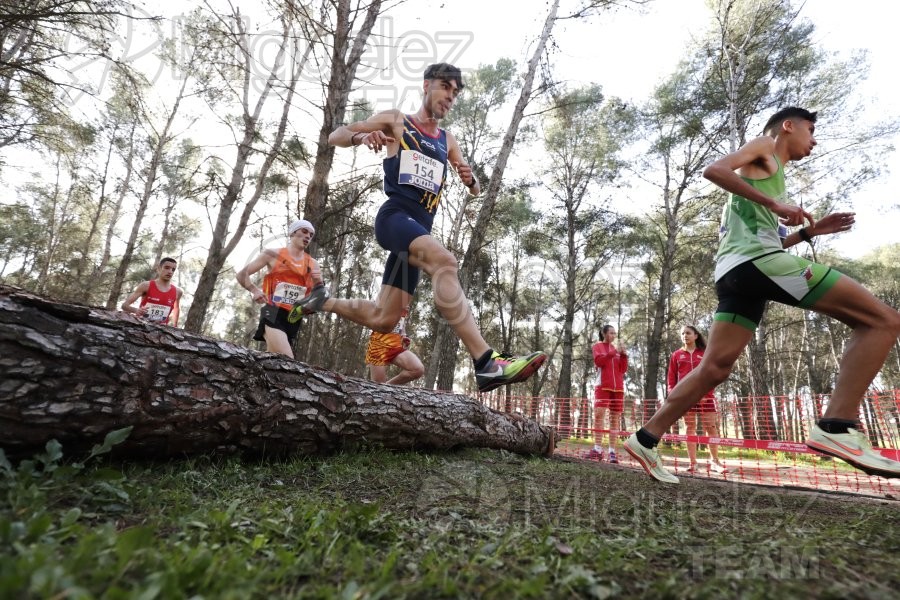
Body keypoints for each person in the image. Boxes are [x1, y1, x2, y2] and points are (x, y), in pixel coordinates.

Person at [625, 107, 900, 483]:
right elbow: (714, 170)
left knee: (715, 367)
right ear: (789, 126)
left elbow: (770, 238)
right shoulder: (764, 148)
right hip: (755, 264)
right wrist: (774, 204)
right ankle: (837, 426)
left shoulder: (773, 174)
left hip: (738, 273)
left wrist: (811, 232)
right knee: (882, 320)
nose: (814, 140)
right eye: (811, 129)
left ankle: (645, 439)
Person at [295, 62, 546, 393]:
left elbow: (475, 186)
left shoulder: (447, 140)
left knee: (383, 319)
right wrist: (361, 136)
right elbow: (335, 135)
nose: (450, 97)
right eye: (445, 87)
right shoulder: (398, 121)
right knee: (445, 262)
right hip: (395, 218)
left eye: (455, 93)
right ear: (426, 85)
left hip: (414, 236)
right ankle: (486, 362)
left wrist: (472, 182)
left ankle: (321, 301)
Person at [235, 219, 322, 358]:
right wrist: (255, 290)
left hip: (294, 318)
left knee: (274, 364)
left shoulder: (313, 264)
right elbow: (241, 275)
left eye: (311, 235)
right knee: (288, 361)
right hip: (273, 313)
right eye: (304, 231)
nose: (307, 236)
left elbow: (319, 296)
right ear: (292, 233)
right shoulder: (272, 254)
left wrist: (316, 287)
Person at [667, 325, 728, 474]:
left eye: (688, 333)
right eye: (682, 334)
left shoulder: (705, 353)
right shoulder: (676, 355)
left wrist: (706, 394)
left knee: (711, 428)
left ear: (695, 335)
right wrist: (674, 395)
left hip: (706, 397)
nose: (685, 336)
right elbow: (671, 379)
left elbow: (712, 375)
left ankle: (715, 462)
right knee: (690, 428)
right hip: (686, 398)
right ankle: (693, 463)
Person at [587, 324, 628, 463]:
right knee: (599, 416)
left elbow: (622, 369)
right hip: (602, 386)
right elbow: (599, 362)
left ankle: (612, 452)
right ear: (604, 333)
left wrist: (623, 356)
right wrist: (612, 352)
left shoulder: (616, 350)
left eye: (614, 333)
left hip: (618, 388)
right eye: (611, 333)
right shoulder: (597, 346)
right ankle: (597, 449)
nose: (613, 336)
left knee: (614, 419)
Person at [365, 305, 425, 385]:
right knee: (378, 387)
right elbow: (374, 315)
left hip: (395, 346)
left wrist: (404, 335)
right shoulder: (387, 297)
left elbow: (400, 322)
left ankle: (388, 386)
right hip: (378, 347)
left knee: (417, 370)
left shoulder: (404, 301)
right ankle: (383, 388)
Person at [121, 257, 183, 327]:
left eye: (173, 269)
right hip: (141, 327)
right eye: (166, 268)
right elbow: (124, 306)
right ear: (158, 269)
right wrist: (136, 310)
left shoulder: (178, 292)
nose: (170, 271)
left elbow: (176, 309)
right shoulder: (146, 285)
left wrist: (175, 325)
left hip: (162, 330)